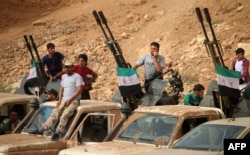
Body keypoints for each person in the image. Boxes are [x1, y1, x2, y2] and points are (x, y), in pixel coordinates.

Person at [30, 60, 83, 141]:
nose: (67, 69)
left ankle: (58, 132)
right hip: (64, 99)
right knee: (55, 113)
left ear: (72, 67)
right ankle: (42, 129)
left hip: (74, 100)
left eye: (69, 67)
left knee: (65, 115)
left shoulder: (77, 76)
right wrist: (59, 99)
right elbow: (61, 89)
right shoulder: (64, 77)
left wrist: (71, 99)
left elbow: (79, 89)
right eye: (66, 67)